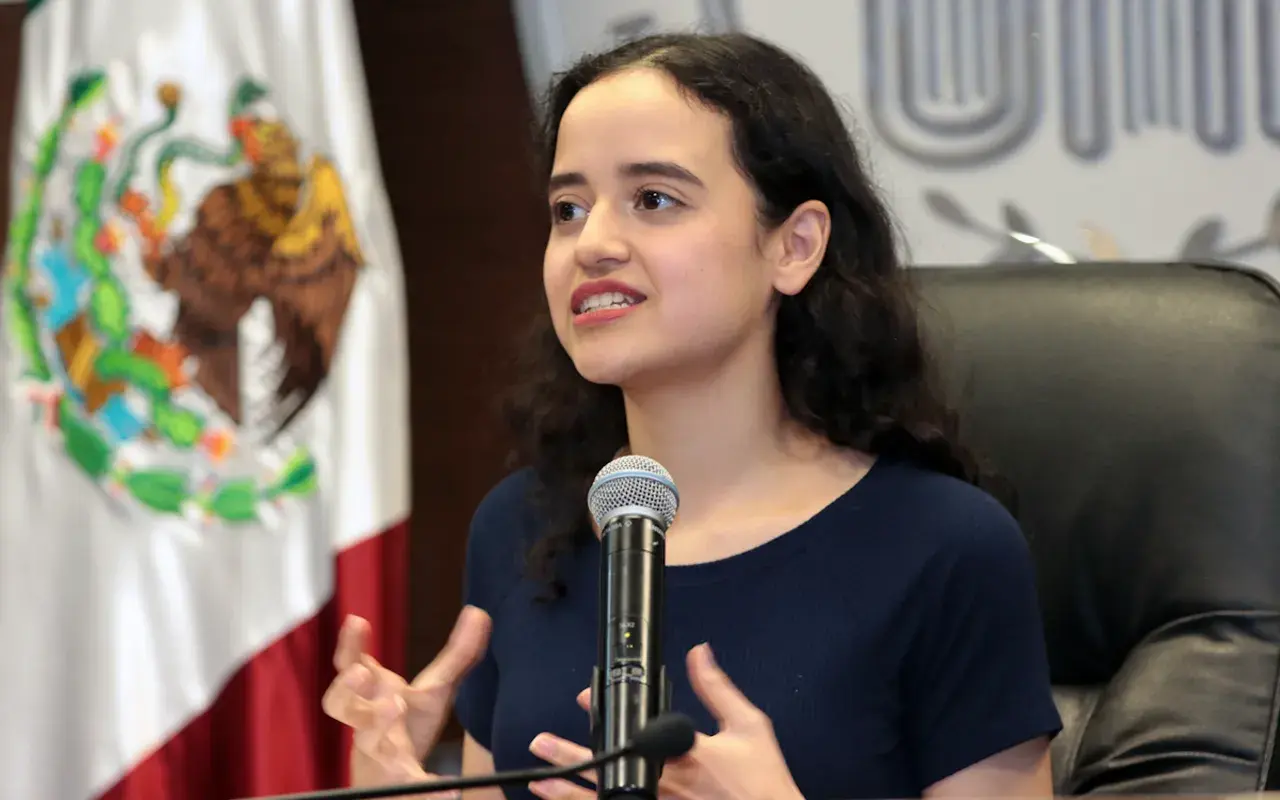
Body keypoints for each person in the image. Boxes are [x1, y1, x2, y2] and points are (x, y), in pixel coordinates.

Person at [322, 31, 1062, 800]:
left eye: (654, 200)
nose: (592, 244)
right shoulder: (521, 527)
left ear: (794, 245)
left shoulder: (944, 548)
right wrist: (396, 788)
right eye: (568, 209)